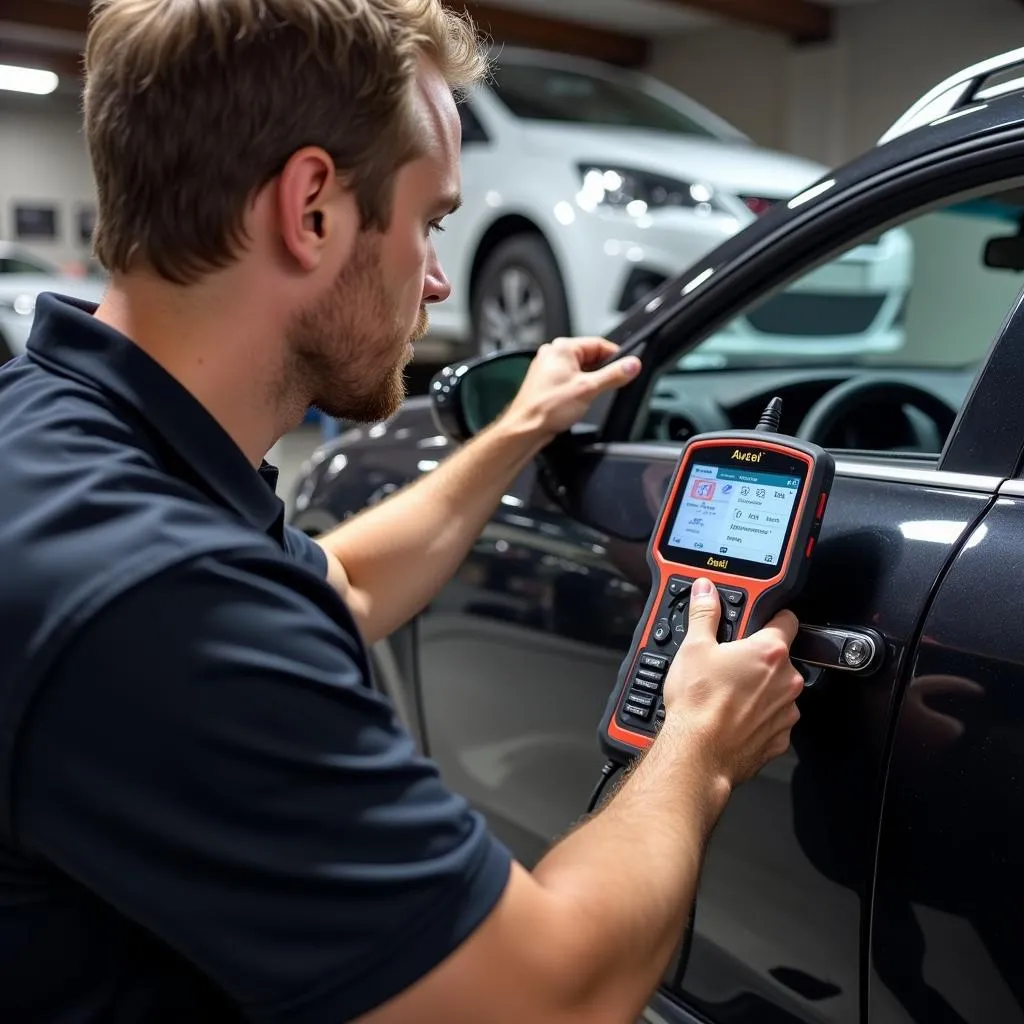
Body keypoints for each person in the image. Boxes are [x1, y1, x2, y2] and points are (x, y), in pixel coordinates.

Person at [0, 1, 804, 1021]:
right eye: (429, 221)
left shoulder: (69, 441)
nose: (434, 278)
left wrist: (511, 433)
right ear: (313, 211)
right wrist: (697, 740)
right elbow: (551, 997)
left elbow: (346, 581)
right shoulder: (158, 599)